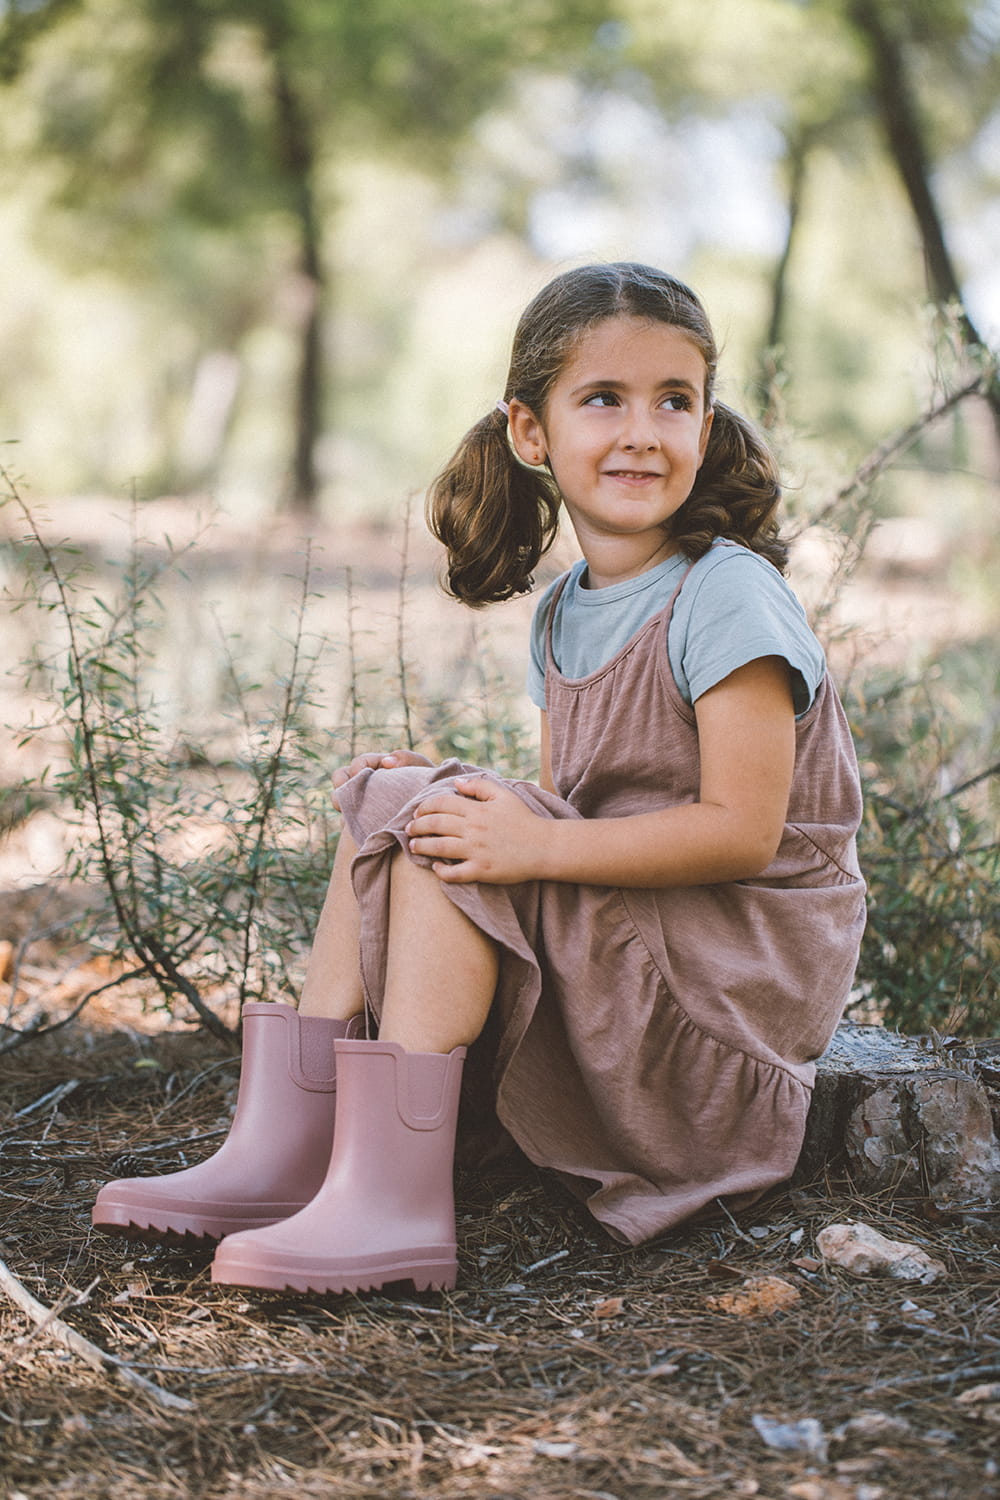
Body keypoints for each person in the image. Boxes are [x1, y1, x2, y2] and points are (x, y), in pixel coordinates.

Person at [93, 262, 865, 1295]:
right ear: (530, 431)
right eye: (604, 399)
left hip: (721, 1014)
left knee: (444, 814)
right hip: (642, 963)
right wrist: (472, 808)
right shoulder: (563, 611)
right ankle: (289, 1152)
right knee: (400, 800)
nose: (643, 430)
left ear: (705, 421)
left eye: (674, 400)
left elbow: (739, 833)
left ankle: (392, 1204)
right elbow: (582, 822)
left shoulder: (729, 596)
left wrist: (530, 839)